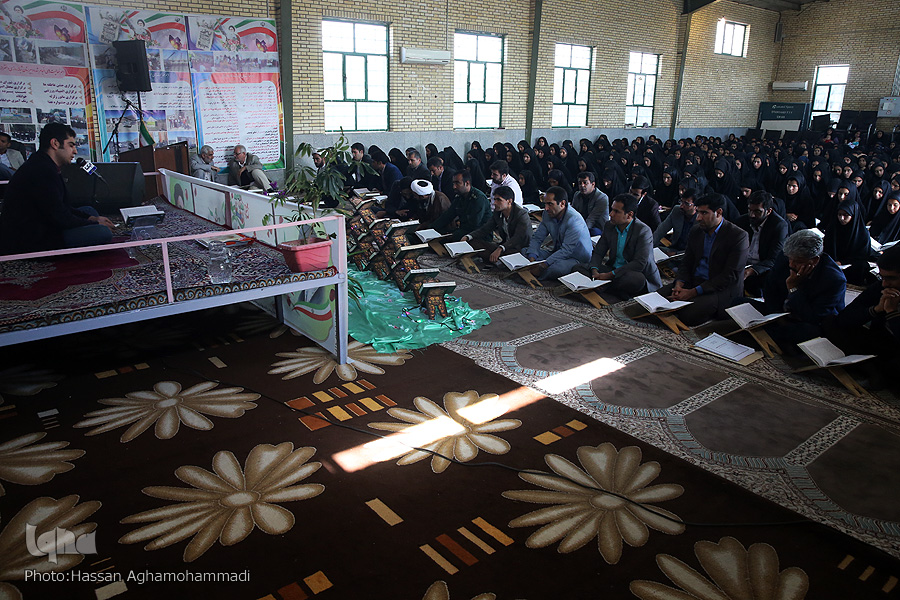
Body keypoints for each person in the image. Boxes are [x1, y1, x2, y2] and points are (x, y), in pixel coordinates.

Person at [0, 122, 115, 255]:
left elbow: (60, 207)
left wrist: (90, 219)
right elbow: (59, 216)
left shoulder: (43, 163)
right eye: (71, 145)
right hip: (33, 238)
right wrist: (93, 224)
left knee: (89, 211)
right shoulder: (42, 171)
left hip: (44, 223)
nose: (75, 151)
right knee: (102, 232)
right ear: (55, 144)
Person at [657, 194, 749, 325]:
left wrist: (693, 292)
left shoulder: (738, 236)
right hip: (694, 282)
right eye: (698, 212)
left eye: (704, 213)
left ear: (719, 212)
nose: (699, 218)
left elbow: (729, 276)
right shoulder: (697, 231)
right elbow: (687, 262)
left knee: (687, 314)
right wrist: (679, 283)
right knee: (656, 300)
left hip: (719, 289)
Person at [753, 230, 845, 350]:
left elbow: (814, 317)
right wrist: (778, 316)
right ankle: (778, 337)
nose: (791, 264)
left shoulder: (834, 279)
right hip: (779, 314)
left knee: (808, 332)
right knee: (739, 303)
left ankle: (770, 335)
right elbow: (770, 289)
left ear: (815, 260)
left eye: (798, 261)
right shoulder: (786, 257)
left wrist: (793, 288)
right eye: (790, 259)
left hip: (806, 320)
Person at [825, 244, 900, 389]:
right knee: (831, 322)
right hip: (882, 342)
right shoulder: (882, 287)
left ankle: (875, 372)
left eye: (891, 278)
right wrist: (876, 309)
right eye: (882, 277)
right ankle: (873, 370)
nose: (885, 283)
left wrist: (892, 312)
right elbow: (844, 318)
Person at [583, 193, 661, 302]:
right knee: (578, 268)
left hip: (632, 272)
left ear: (629, 215)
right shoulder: (609, 225)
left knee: (635, 280)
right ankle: (613, 289)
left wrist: (609, 275)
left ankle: (604, 286)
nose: (611, 214)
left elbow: (639, 263)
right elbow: (598, 252)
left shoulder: (643, 231)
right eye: (612, 210)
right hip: (613, 269)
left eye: (616, 212)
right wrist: (594, 271)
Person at [523, 186, 592, 281]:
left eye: (550, 204)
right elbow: (537, 237)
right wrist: (532, 259)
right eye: (545, 204)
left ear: (562, 204)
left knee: (555, 269)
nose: (546, 208)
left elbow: (567, 250)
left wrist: (543, 265)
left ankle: (537, 276)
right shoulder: (547, 214)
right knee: (525, 252)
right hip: (557, 252)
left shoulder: (574, 220)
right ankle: (534, 271)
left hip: (576, 258)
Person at [736, 190, 789, 296]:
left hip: (763, 268)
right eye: (749, 210)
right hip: (742, 264)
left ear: (768, 211)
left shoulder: (779, 226)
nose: (752, 215)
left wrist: (751, 270)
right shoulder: (742, 221)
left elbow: (773, 259)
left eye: (757, 211)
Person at [462, 185, 531, 264]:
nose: (494, 203)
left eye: (499, 200)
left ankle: (500, 261)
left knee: (507, 254)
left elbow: (518, 238)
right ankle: (499, 261)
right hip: (504, 246)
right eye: (494, 199)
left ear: (509, 201)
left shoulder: (521, 214)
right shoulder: (498, 212)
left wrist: (501, 248)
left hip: (519, 248)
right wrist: (468, 236)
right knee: (473, 242)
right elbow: (485, 229)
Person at [429, 170, 491, 242]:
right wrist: (431, 228)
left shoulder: (478, 198)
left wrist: (452, 234)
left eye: (457, 183)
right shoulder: (460, 196)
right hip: (464, 230)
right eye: (453, 183)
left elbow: (474, 224)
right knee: (438, 233)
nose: (454, 186)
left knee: (445, 239)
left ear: (467, 183)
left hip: (478, 234)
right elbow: (448, 215)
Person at [571, 171, 610, 236]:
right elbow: (573, 214)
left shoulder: (602, 198)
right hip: (581, 225)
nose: (582, 185)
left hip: (597, 228)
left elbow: (592, 219)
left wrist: (579, 232)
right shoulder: (577, 195)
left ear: (593, 184)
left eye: (585, 183)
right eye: (580, 183)